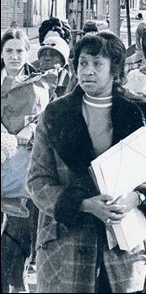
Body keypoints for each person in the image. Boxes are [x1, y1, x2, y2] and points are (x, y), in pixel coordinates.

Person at [26, 32, 146, 293]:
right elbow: (36, 181)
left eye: (97, 64)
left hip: (124, 249)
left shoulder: (139, 111)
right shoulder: (55, 114)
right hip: (65, 247)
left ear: (115, 68)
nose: (87, 71)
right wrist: (82, 204)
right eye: (82, 63)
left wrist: (138, 198)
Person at [1, 29, 54, 293]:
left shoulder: (39, 85)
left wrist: (30, 131)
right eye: (9, 50)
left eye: (19, 51)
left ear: (27, 52)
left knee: (15, 248)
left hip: (20, 177)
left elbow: (45, 120)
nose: (14, 56)